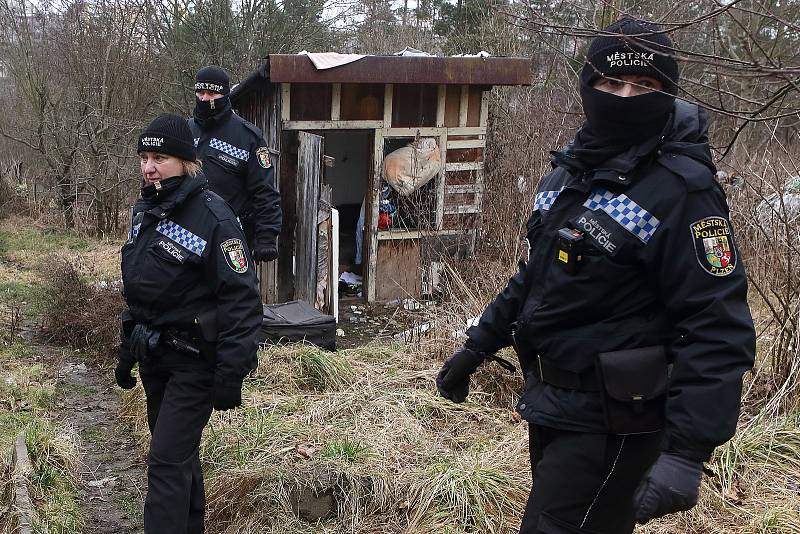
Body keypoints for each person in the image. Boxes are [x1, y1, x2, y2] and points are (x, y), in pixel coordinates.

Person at [436, 17, 755, 534]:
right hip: (553, 402)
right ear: (589, 87)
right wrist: (477, 346)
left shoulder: (683, 190)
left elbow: (717, 324)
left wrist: (687, 451)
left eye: (645, 85)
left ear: (666, 93)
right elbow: (536, 277)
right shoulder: (569, 175)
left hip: (618, 419)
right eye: (611, 82)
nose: (625, 96)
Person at [115, 113, 263, 533]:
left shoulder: (214, 218)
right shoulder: (146, 212)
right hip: (155, 356)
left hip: (196, 361)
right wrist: (128, 349)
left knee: (163, 461)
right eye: (144, 157)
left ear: (186, 161)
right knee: (180, 456)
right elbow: (143, 290)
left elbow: (242, 300)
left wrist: (232, 371)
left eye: (159, 157)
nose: (148, 167)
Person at [188, 65, 282, 262]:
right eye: (201, 93)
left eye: (212, 93)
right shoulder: (184, 132)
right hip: (189, 233)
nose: (205, 99)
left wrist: (266, 236)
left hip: (232, 235)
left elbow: (264, 190)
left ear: (224, 94)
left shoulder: (248, 137)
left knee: (237, 291)